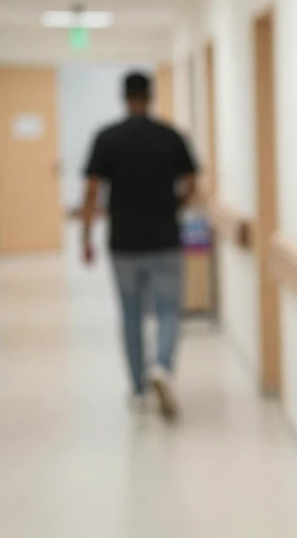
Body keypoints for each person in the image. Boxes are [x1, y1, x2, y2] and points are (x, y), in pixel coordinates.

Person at [82, 72, 198, 421]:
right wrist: (175, 206)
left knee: (131, 314)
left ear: (124, 97)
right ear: (150, 96)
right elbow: (191, 182)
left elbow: (91, 190)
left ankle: (137, 388)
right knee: (166, 310)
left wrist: (85, 236)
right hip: (165, 238)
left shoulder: (107, 138)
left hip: (124, 244)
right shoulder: (171, 136)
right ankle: (161, 366)